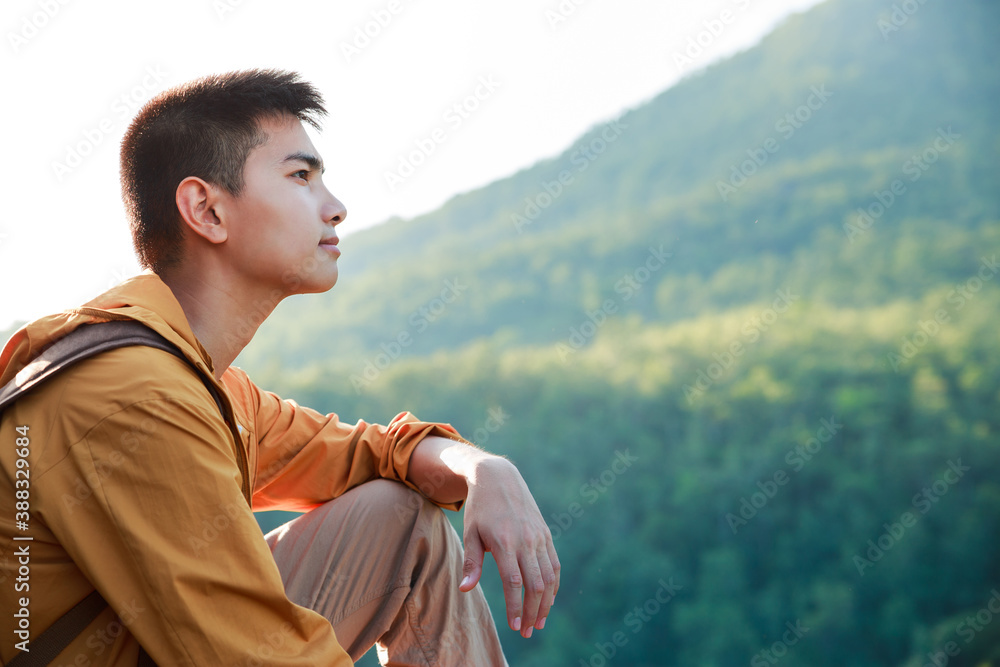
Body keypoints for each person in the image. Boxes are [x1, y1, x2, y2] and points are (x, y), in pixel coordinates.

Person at [0, 69, 558, 666]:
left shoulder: (202, 381)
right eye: (301, 176)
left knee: (401, 518)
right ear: (206, 210)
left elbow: (367, 454)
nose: (336, 208)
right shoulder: (136, 395)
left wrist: (484, 469)